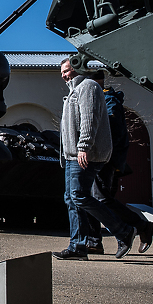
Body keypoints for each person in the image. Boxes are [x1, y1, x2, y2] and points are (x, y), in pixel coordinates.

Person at [53, 58, 137, 261]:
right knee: (71, 199)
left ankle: (124, 231)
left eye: (67, 70)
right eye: (62, 72)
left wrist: (84, 148)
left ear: (78, 69)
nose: (65, 75)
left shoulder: (87, 87)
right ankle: (78, 246)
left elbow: (89, 120)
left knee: (79, 195)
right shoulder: (73, 91)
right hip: (72, 155)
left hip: (86, 154)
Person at [86, 70, 153, 255]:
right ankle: (94, 241)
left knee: (100, 198)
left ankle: (140, 226)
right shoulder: (101, 98)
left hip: (103, 159)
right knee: (88, 197)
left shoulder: (108, 99)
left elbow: (113, 132)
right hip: (98, 157)